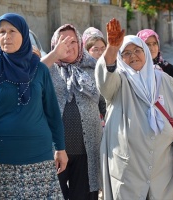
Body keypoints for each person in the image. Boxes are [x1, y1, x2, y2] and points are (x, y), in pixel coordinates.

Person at [0, 13, 67, 199]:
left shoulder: (38, 69)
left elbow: (53, 113)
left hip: (39, 160)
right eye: (2, 31)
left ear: (24, 35)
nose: (6, 36)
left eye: (12, 31)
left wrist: (60, 148)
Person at [95, 18, 173, 199]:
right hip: (129, 170)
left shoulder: (165, 80)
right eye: (126, 53)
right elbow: (104, 83)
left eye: (137, 50)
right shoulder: (119, 81)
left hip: (164, 169)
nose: (133, 56)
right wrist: (112, 49)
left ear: (146, 53)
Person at [41, 23, 103, 200]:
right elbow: (31, 76)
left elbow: (106, 102)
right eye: (63, 41)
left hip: (87, 152)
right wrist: (54, 56)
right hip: (54, 152)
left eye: (73, 41)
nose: (69, 45)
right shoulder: (48, 69)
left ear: (81, 43)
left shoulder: (94, 68)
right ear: (54, 44)